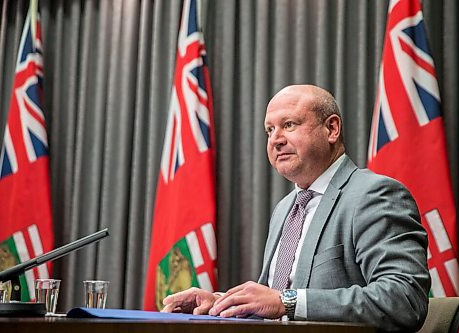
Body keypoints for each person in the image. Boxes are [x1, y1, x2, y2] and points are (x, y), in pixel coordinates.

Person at [162, 85, 430, 331]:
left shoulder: (373, 194)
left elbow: (404, 299)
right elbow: (274, 303)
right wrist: (223, 303)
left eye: (288, 125)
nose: (275, 139)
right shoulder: (285, 209)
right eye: (269, 130)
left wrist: (286, 301)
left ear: (331, 129)